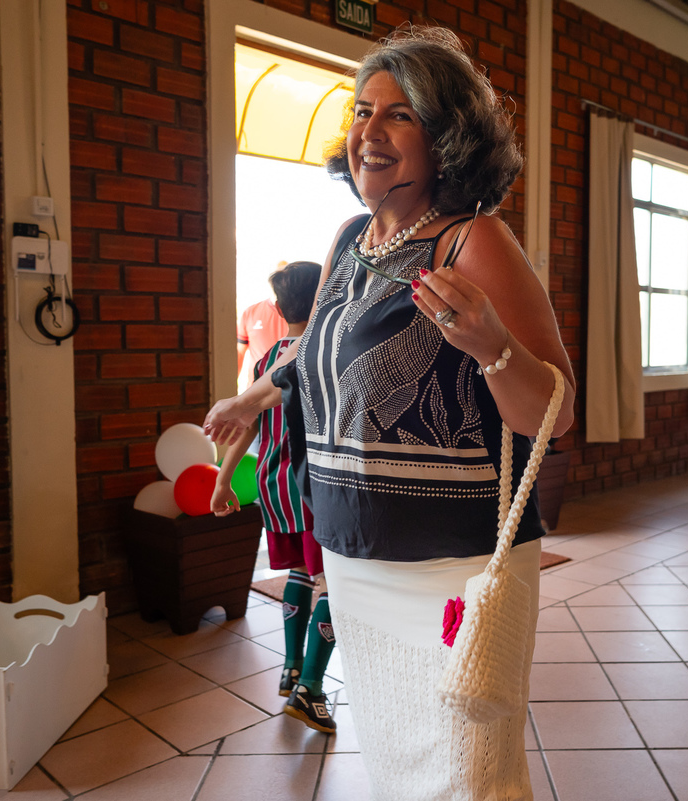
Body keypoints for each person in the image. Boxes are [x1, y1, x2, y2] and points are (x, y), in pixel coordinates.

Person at [204, 26, 574, 800]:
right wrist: (252, 396)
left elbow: (556, 413)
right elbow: (314, 356)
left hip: (451, 562)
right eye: (362, 111)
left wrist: (493, 347)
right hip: (352, 552)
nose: (369, 131)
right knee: (398, 765)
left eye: (399, 114)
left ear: (447, 135)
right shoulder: (350, 239)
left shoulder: (475, 242)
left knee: (467, 775)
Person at [211, 261, 336, 733]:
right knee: (332, 584)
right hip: (315, 489)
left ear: (279, 310)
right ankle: (311, 687)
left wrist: (223, 481)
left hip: (276, 487)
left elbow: (243, 424)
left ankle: (289, 667)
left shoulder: (267, 362)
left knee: (302, 575)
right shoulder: (322, 352)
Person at [236, 270, 289, 391]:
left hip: (287, 389)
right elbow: (240, 352)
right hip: (256, 389)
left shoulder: (300, 314)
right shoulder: (251, 312)